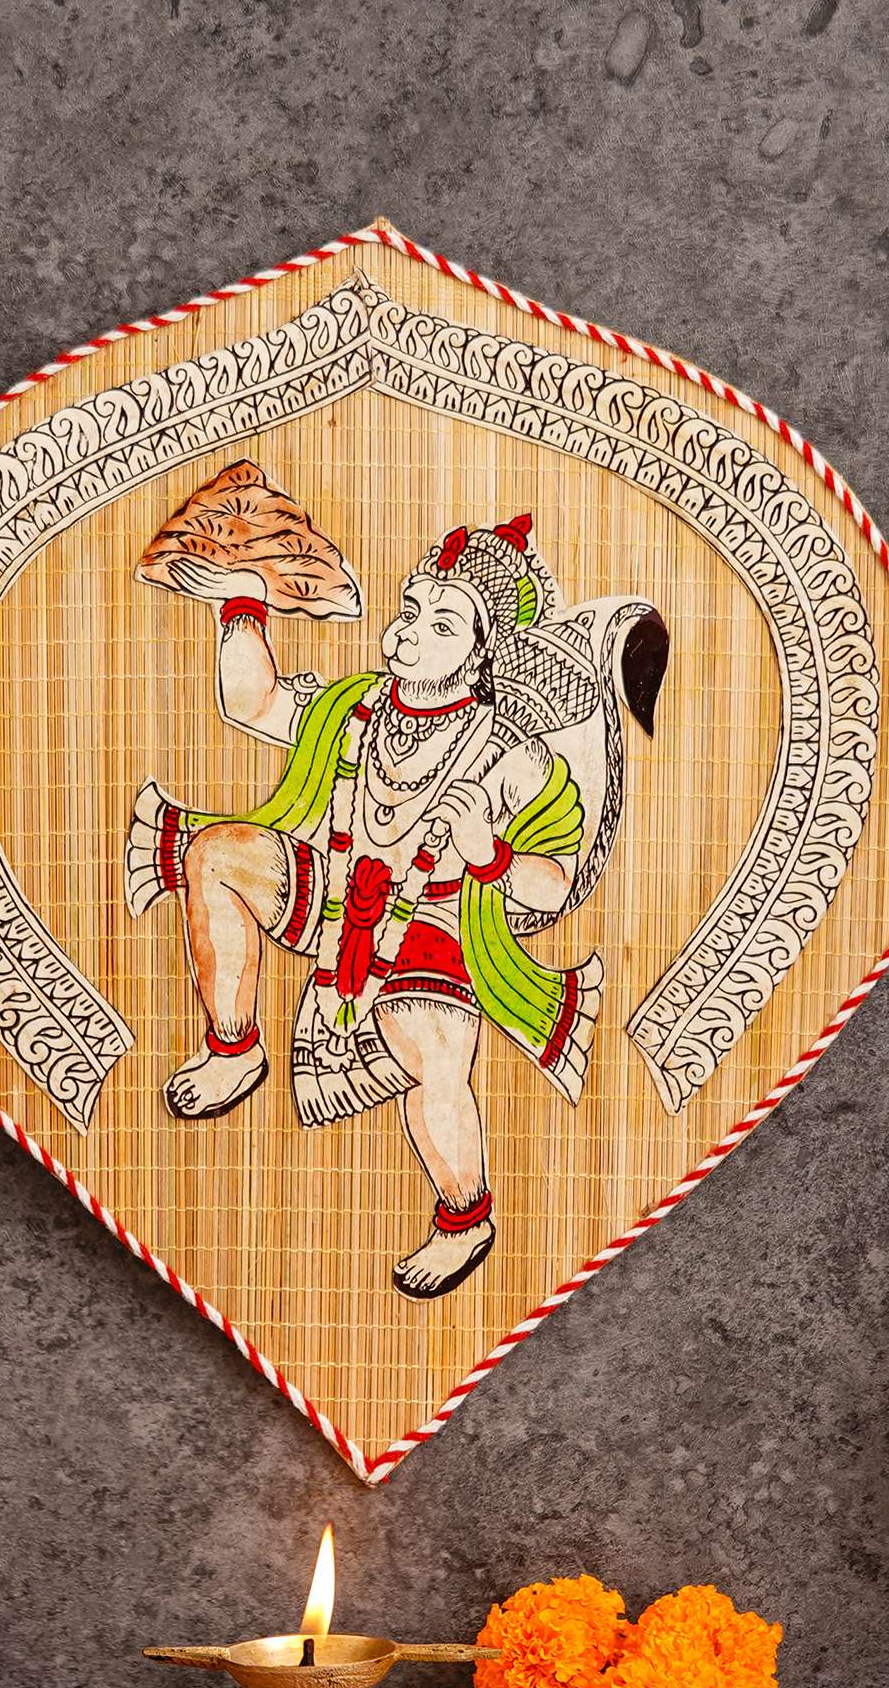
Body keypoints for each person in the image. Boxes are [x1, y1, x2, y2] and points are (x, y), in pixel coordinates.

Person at [126, 514, 664, 1300]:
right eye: (411, 610)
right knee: (215, 854)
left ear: (480, 654)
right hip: (337, 892)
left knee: (431, 1050)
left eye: (442, 625)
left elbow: (553, 883)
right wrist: (241, 602)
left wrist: (489, 852)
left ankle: (465, 1217)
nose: (411, 632)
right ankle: (234, 1048)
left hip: (434, 922)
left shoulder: (514, 757)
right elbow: (253, 703)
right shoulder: (357, 707)